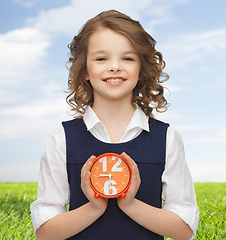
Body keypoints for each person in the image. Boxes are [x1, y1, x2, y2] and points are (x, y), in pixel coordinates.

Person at [30, 10, 199, 240]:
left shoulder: (166, 139)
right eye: (102, 58)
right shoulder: (62, 139)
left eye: (127, 58)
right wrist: (94, 207)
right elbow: (45, 233)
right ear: (84, 70)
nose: (115, 67)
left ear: (141, 69)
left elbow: (184, 230)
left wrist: (130, 204)